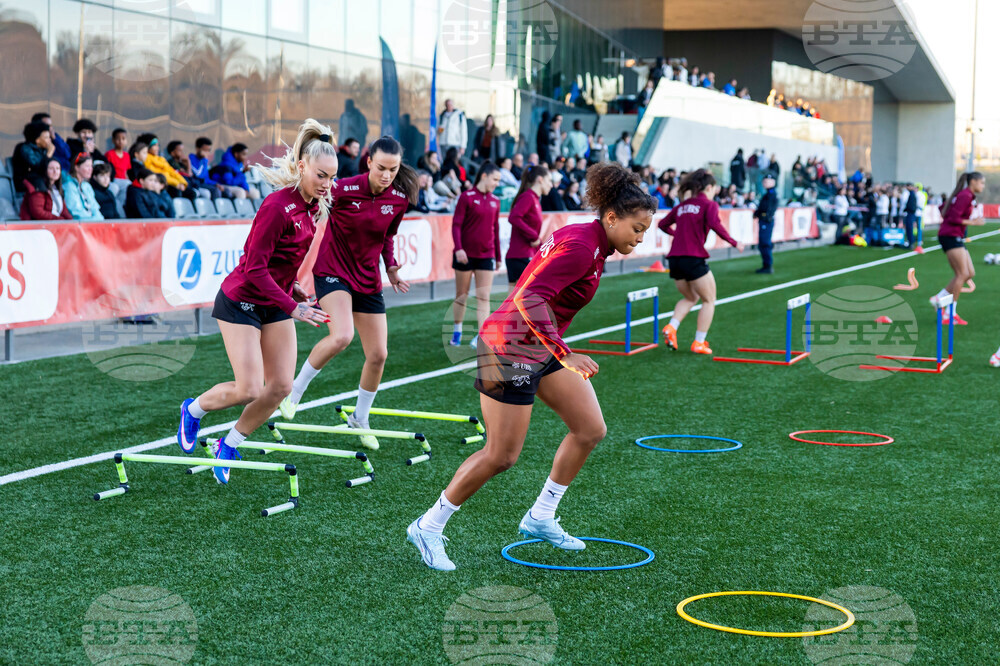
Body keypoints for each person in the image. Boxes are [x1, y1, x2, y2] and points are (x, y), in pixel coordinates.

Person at [406, 162, 656, 571]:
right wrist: (565, 351)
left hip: (537, 347)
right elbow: (529, 297)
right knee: (501, 455)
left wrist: (554, 348)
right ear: (611, 217)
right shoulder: (581, 245)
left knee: (590, 429)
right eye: (637, 228)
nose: (641, 238)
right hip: (508, 350)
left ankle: (540, 516)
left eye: (645, 230)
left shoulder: (590, 240)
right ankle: (428, 526)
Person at [175, 120, 336, 483]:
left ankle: (229, 443)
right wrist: (293, 306)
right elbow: (254, 269)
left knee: (280, 387)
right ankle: (193, 409)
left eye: (331, 177)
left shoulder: (313, 208)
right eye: (321, 175)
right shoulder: (277, 206)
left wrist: (292, 286)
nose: (327, 184)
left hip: (275, 300)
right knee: (248, 387)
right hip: (241, 300)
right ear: (301, 167)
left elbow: (281, 263)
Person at [280, 136, 419, 449]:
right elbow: (307, 203)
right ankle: (294, 392)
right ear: (368, 161)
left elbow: (388, 237)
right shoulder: (342, 188)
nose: (387, 175)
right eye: (381, 167)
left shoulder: (399, 198)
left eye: (393, 170)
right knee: (342, 336)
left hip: (368, 279)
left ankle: (360, 417)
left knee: (379, 354)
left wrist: (392, 267)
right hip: (333, 272)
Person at [660, 169, 745, 355]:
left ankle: (672, 327)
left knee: (690, 297)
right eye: (714, 188)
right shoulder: (709, 204)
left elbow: (662, 224)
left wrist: (677, 235)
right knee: (709, 300)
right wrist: (734, 242)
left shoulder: (682, 205)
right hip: (693, 258)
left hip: (674, 260)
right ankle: (699, 342)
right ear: (709, 187)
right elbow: (716, 225)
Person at [450, 162, 502, 347]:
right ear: (484, 176)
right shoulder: (466, 197)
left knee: (484, 296)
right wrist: (459, 248)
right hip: (465, 255)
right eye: (495, 179)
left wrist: (498, 256)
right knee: (461, 295)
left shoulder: (496, 200)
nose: (497, 183)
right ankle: (457, 330)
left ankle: (482, 336)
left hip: (486, 255)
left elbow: (496, 229)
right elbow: (456, 225)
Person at [929, 172, 986, 327]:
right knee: (962, 274)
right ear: (973, 182)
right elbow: (953, 218)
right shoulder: (965, 195)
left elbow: (944, 209)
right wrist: (973, 222)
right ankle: (949, 313)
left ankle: (939, 298)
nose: (983, 186)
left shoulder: (965, 195)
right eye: (981, 183)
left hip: (954, 235)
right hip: (950, 235)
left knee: (969, 273)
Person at [506, 165, 550, 289]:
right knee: (523, 302)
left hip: (523, 256)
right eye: (549, 181)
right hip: (520, 256)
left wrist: (542, 248)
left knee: (515, 305)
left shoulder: (534, 199)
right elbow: (514, 217)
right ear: (540, 179)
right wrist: (534, 237)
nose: (551, 185)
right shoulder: (528, 197)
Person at [11, 121, 55, 192]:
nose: (50, 140)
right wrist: (49, 153)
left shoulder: (42, 149)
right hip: (27, 183)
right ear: (37, 140)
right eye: (46, 137)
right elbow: (38, 167)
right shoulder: (25, 148)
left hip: (39, 182)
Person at [63, 152, 104, 221]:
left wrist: (100, 221)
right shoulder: (69, 186)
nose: (90, 169)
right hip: (77, 227)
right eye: (87, 166)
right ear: (77, 167)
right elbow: (76, 213)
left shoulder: (87, 186)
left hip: (92, 224)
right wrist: (94, 222)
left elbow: (95, 209)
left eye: (91, 166)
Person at [754, 175, 778, 273]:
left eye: (767, 181)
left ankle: (767, 265)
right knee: (763, 243)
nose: (765, 183)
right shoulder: (767, 194)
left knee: (765, 243)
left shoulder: (771, 194)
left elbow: (770, 207)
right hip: (764, 220)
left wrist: (766, 216)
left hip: (766, 221)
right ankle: (766, 265)